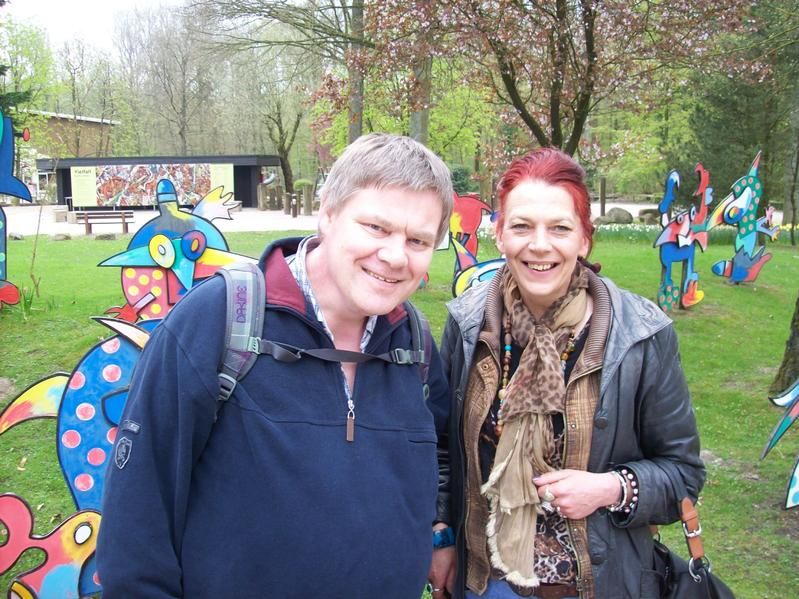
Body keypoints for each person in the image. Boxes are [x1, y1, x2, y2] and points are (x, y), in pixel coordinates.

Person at [97, 133, 457, 598]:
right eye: (376, 228)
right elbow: (138, 520)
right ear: (328, 213)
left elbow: (440, 454)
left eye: (418, 240)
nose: (394, 256)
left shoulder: (415, 344)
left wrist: (439, 528)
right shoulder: (218, 322)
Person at [440, 148, 705, 599]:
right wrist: (441, 534)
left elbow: (683, 473)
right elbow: (441, 449)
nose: (540, 245)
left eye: (560, 228)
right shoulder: (468, 325)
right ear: (499, 235)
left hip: (595, 584)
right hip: (488, 582)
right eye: (522, 226)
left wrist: (610, 488)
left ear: (584, 239)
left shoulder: (641, 335)